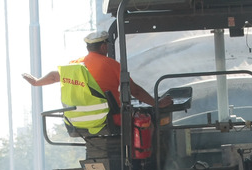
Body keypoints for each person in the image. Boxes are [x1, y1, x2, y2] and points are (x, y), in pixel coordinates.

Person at [21, 29, 172, 133]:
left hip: (77, 123)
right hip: (108, 119)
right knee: (148, 123)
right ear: (104, 46)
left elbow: (55, 76)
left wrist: (36, 82)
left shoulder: (75, 66)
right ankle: (146, 162)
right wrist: (156, 103)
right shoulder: (111, 64)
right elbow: (135, 90)